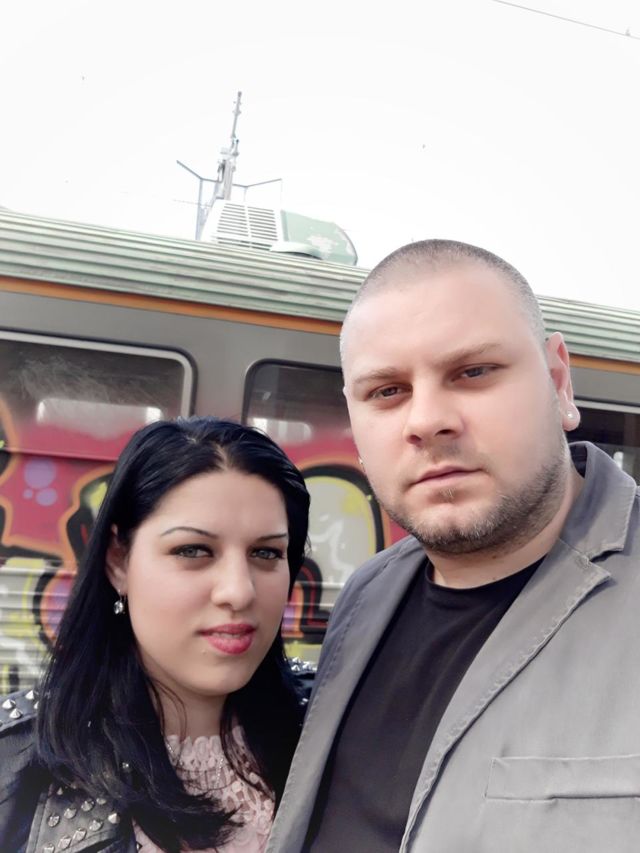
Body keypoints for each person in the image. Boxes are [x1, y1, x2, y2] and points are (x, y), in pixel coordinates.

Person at [266, 239, 640, 853]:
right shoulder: (367, 596)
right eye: (387, 391)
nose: (426, 421)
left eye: (473, 372)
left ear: (558, 382)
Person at [0, 416, 311, 853]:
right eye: (193, 550)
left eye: (266, 552)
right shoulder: (13, 760)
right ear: (118, 561)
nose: (239, 591)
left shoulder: (334, 726)